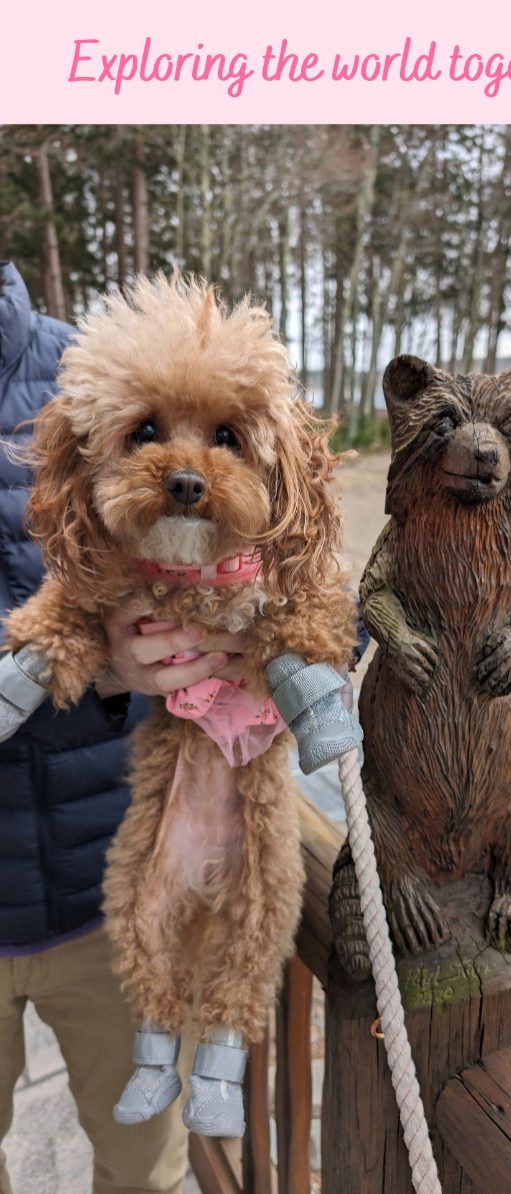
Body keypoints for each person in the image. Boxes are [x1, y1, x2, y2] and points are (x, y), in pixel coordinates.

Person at [0, 261, 250, 1194]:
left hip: (116, 894)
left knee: (145, 1167)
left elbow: (266, 566)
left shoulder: (102, 371)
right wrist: (92, 658)